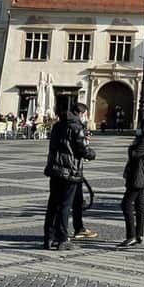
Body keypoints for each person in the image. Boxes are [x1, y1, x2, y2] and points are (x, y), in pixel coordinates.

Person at [42, 102, 92, 251]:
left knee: (53, 204)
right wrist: (91, 153)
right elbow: (83, 149)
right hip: (69, 171)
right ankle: (63, 239)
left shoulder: (58, 125)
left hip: (54, 169)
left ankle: (49, 237)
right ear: (82, 114)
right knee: (65, 205)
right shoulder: (76, 127)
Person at [121, 121, 144, 246]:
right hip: (143, 177)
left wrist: (132, 145)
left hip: (138, 177)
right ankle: (139, 234)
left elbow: (133, 155)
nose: (138, 129)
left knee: (126, 204)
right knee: (139, 205)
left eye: (140, 127)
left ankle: (131, 235)